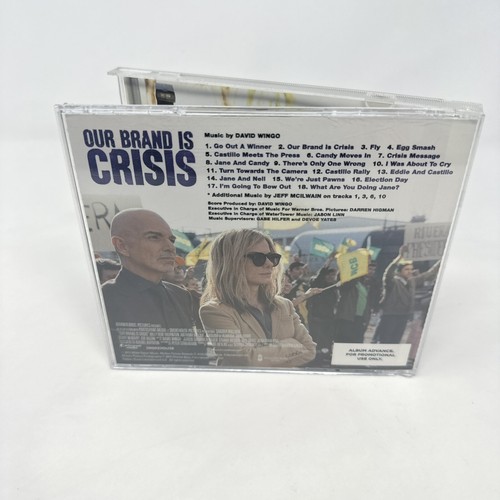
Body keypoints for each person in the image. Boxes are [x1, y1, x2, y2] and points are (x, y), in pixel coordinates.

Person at [101, 208, 207, 365]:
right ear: (122, 246)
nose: (170, 247)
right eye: (154, 237)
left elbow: (195, 355)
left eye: (171, 240)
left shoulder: (181, 295)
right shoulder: (103, 300)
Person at [199, 229, 316, 368]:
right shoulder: (214, 311)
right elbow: (247, 360)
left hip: (285, 381)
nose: (269, 264)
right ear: (232, 261)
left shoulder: (284, 305)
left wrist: (261, 353)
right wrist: (292, 345)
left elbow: (309, 350)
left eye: (272, 257)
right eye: (258, 258)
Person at [374, 245, 440, 344]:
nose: (410, 272)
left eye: (411, 269)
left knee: (395, 343)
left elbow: (428, 274)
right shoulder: (393, 282)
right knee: (385, 343)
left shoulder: (411, 281)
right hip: (390, 316)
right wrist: (399, 257)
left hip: (403, 316)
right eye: (406, 269)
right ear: (399, 271)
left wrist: (441, 260)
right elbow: (388, 273)